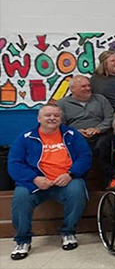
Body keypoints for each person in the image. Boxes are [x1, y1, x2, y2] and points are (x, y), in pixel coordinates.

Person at [8, 104, 92, 260]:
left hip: (65, 181)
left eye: (56, 115)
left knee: (77, 190)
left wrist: (71, 174)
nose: (52, 118)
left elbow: (85, 156)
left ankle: (68, 233)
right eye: (48, 115)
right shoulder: (25, 138)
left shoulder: (72, 134)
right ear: (39, 118)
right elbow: (14, 163)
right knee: (20, 197)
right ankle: (22, 240)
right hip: (35, 183)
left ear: (61, 118)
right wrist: (34, 178)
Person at [57, 75, 114, 185]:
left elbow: (110, 117)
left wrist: (98, 129)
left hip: (100, 137)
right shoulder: (62, 104)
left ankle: (106, 183)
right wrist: (76, 132)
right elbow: (60, 125)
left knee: (105, 143)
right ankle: (79, 182)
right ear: (73, 89)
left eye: (89, 85)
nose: (88, 88)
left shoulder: (100, 99)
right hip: (75, 138)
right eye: (83, 86)